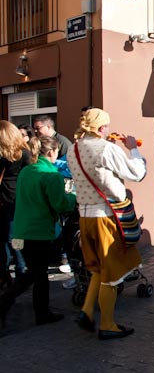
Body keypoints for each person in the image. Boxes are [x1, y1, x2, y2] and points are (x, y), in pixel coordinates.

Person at [66, 108, 146, 340]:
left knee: (97, 269)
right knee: (111, 274)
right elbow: (137, 173)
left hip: (85, 216)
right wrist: (133, 148)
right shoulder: (107, 149)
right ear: (102, 128)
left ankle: (87, 311)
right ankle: (108, 324)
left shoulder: (73, 149)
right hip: (106, 216)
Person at [0, 137, 76, 327]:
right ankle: (39, 312)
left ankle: (10, 303)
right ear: (52, 152)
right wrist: (73, 197)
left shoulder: (27, 171)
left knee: (33, 272)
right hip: (39, 231)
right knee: (39, 275)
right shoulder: (51, 175)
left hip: (21, 230)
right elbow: (60, 204)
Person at [0, 121, 32, 292]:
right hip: (10, 201)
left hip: (14, 201)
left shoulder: (21, 154)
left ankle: (21, 268)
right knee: (8, 237)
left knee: (13, 237)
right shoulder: (18, 154)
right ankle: (9, 271)